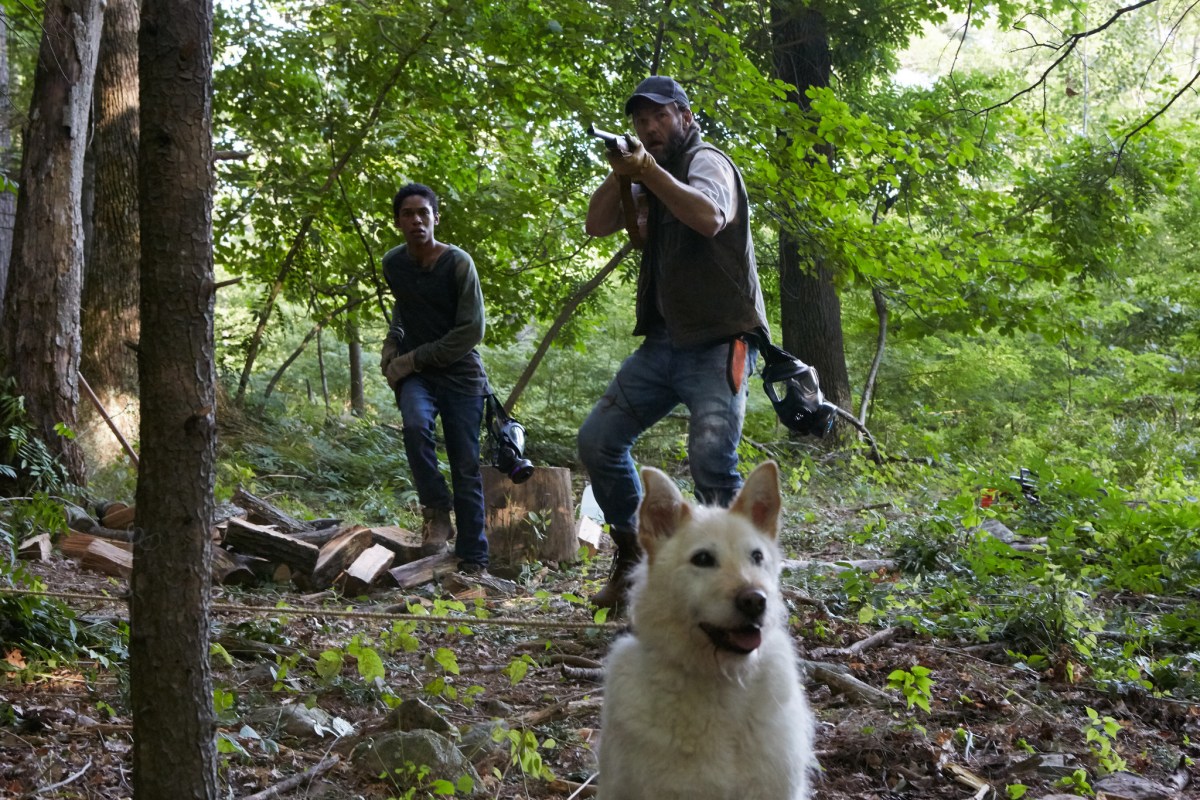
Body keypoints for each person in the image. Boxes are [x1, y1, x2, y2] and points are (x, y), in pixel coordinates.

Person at [580, 76, 770, 608]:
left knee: (712, 461)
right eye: (640, 121)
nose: (649, 127)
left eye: (659, 116)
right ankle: (639, 558)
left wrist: (649, 172)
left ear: (685, 117)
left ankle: (742, 581)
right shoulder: (645, 173)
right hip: (663, 344)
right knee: (598, 440)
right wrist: (623, 174)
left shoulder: (708, 161)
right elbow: (597, 226)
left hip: (718, 340)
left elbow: (709, 216)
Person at [380, 182, 491, 575]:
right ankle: (436, 508)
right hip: (417, 376)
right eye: (407, 214)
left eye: (423, 213)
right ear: (398, 222)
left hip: (461, 374)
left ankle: (473, 557)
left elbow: (471, 331)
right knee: (414, 426)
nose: (416, 220)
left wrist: (410, 359)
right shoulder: (393, 263)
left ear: (435, 218)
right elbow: (403, 311)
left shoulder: (458, 263)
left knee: (465, 463)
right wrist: (392, 346)